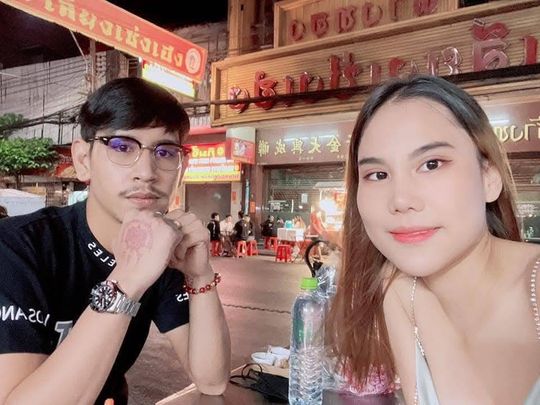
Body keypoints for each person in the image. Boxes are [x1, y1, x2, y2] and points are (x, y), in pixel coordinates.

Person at [0, 77, 231, 404]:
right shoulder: (17, 247)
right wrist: (128, 280)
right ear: (83, 160)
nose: (147, 172)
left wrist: (200, 275)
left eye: (165, 152)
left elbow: (212, 380)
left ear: (182, 168)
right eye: (122, 147)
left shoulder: (166, 250)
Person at [327, 75, 540, 404]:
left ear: (489, 178)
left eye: (431, 164)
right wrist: (414, 301)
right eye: (378, 175)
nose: (401, 199)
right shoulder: (399, 290)